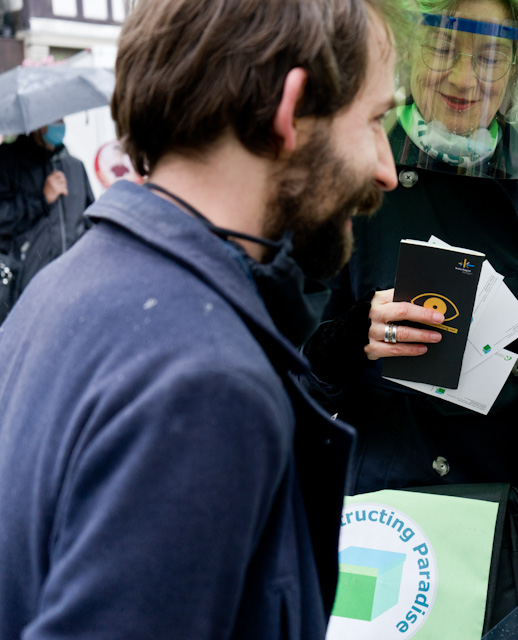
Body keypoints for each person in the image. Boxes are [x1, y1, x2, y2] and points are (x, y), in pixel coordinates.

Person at [0, 0, 408, 636]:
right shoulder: (207, 382)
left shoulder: (61, 289)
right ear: (290, 110)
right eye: (376, 120)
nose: (385, 170)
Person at [302, 0, 518, 624]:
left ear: (516, 67)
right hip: (387, 538)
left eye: (489, 54)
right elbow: (295, 376)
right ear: (408, 52)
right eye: (443, 46)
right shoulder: (349, 184)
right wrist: (355, 335)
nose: (465, 79)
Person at [0, 121, 94, 323]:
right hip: (24, 290)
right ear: (36, 125)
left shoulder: (74, 166)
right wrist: (41, 200)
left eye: (61, 119)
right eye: (53, 121)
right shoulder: (7, 161)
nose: (59, 124)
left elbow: (90, 221)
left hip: (73, 284)